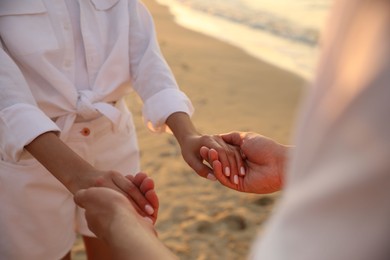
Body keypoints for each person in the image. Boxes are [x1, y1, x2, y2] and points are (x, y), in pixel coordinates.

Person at [74, 0, 390, 259]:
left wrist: (123, 229)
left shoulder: (371, 26)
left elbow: (148, 63)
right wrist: (283, 165)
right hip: (28, 161)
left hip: (113, 140)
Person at [0, 0, 242, 259]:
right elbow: (8, 99)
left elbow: (147, 60)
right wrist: (78, 175)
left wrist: (188, 133)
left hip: (114, 137)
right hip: (33, 151)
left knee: (117, 248)